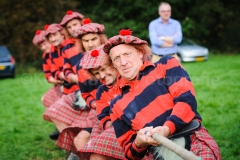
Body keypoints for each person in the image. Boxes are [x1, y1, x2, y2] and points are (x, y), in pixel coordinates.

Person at [103, 29, 222, 160]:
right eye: (117, 58)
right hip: (156, 153)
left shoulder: (166, 64)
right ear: (113, 64)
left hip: (191, 137)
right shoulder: (115, 105)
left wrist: (166, 129)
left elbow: (186, 100)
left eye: (127, 54)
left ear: (140, 52)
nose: (123, 62)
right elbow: (130, 153)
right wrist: (139, 143)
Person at [56, 19, 107, 159]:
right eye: (86, 41)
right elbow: (85, 94)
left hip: (116, 109)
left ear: (101, 39)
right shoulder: (80, 66)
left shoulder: (112, 57)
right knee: (79, 140)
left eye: (94, 39)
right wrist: (94, 104)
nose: (90, 44)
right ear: (81, 43)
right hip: (96, 109)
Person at [78, 45, 125, 160]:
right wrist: (111, 123)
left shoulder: (127, 80)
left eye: (103, 69)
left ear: (113, 64)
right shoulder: (102, 91)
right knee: (95, 155)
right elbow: (103, 118)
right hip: (116, 128)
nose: (102, 76)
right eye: (97, 73)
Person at [32, 29, 63, 140]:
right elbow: (48, 76)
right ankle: (59, 127)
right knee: (45, 98)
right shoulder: (46, 56)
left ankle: (65, 128)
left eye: (44, 43)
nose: (44, 47)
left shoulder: (61, 49)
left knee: (61, 102)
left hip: (69, 83)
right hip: (59, 83)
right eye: (41, 46)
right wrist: (58, 81)